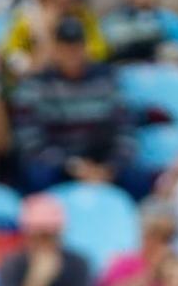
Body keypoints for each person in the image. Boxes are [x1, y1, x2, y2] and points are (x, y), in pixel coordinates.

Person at [8, 16, 135, 195]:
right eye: (65, 47)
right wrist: (71, 165)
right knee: (36, 174)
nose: (71, 53)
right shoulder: (34, 86)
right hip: (58, 165)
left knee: (135, 177)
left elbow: (126, 130)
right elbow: (29, 142)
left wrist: (111, 166)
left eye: (76, 46)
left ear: (85, 47)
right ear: (55, 49)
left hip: (102, 163)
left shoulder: (107, 80)